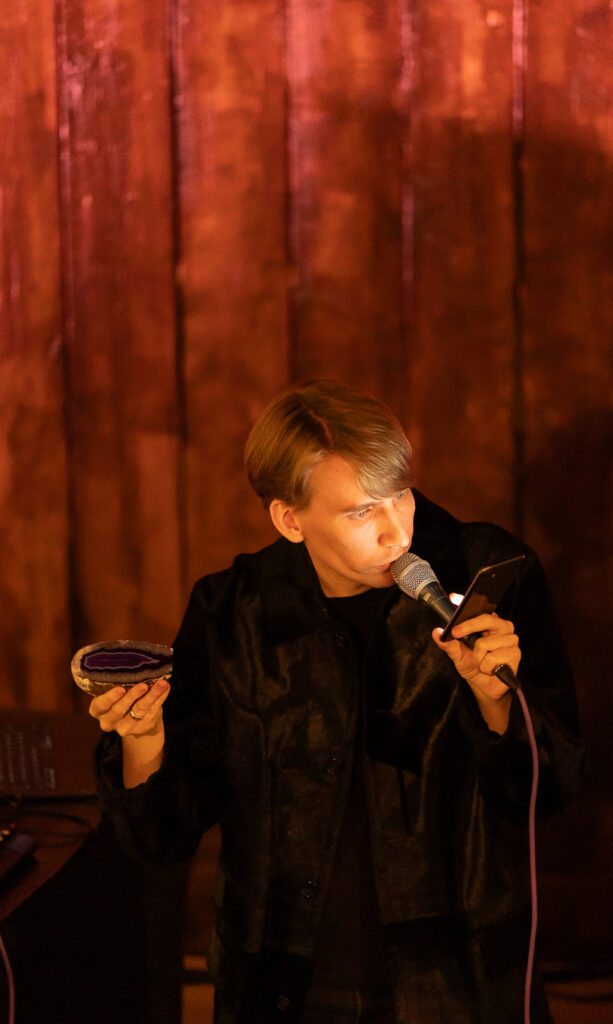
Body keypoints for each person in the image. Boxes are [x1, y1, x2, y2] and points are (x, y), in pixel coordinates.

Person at [91, 380, 584, 1024]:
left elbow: (550, 793)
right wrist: (143, 740)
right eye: (360, 512)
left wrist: (495, 703)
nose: (396, 534)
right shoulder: (235, 609)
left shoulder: (488, 572)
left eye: (401, 496)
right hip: (282, 981)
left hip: (455, 982)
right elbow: (164, 835)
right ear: (289, 520)